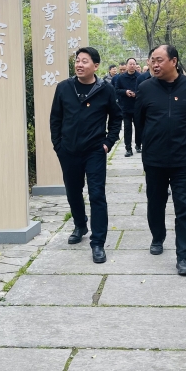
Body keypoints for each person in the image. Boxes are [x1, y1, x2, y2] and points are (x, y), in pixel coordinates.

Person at [135, 45, 186, 276]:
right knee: (156, 202)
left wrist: (180, 136)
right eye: (152, 60)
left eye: (159, 60)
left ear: (174, 61)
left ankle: (184, 256)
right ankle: (157, 236)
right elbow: (139, 121)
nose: (155, 65)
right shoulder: (145, 88)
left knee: (183, 206)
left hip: (182, 158)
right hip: (154, 158)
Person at [50, 47, 122, 263]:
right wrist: (58, 146)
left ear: (96, 66)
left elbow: (116, 118)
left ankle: (98, 242)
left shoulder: (106, 90)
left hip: (94, 151)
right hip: (68, 151)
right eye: (77, 61)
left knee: (97, 194)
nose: (79, 65)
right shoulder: (64, 87)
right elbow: (55, 118)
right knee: (73, 191)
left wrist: (108, 143)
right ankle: (80, 225)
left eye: (84, 61)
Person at [114, 57, 141, 156]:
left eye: (134, 64)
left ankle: (138, 145)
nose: (132, 65)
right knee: (127, 128)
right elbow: (116, 90)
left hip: (137, 106)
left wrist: (136, 94)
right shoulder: (121, 78)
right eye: (130, 64)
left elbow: (144, 90)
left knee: (139, 127)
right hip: (126, 107)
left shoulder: (140, 77)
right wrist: (125, 92)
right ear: (127, 65)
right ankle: (128, 148)